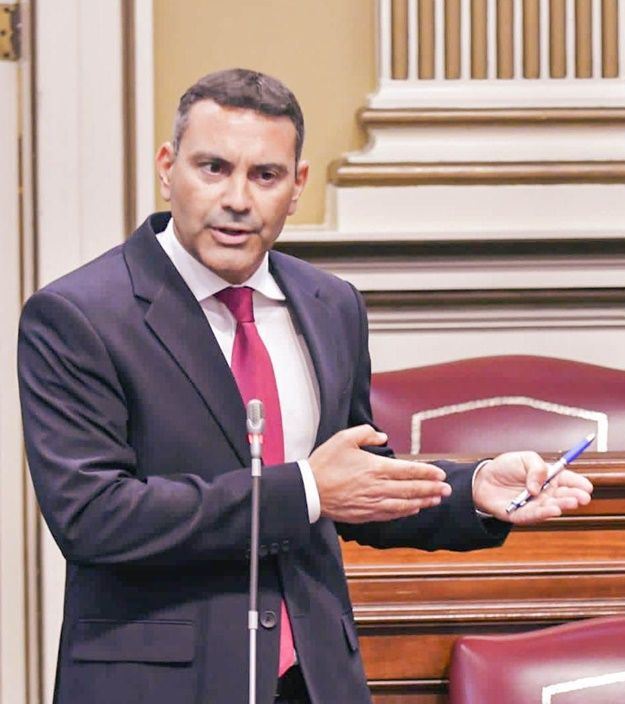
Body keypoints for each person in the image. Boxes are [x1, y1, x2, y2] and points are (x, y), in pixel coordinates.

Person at [17, 68, 594, 704]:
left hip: (314, 681)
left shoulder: (330, 304)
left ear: (297, 186)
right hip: (161, 684)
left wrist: (472, 490)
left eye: (265, 175)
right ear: (167, 166)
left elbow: (356, 481)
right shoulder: (79, 316)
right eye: (213, 168)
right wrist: (309, 489)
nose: (238, 198)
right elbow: (95, 517)